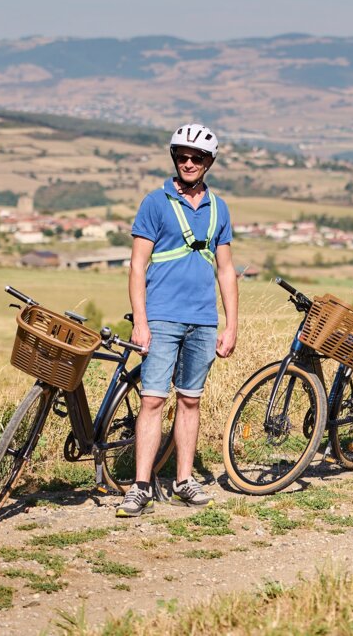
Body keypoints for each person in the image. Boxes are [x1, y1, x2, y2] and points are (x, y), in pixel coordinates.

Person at [117, 124, 238, 516]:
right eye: (182, 156)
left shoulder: (219, 208)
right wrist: (141, 321)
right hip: (162, 317)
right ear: (175, 158)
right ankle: (140, 486)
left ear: (209, 163)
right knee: (152, 400)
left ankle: (184, 479)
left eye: (197, 158)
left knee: (190, 400)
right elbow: (137, 266)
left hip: (202, 321)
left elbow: (226, 270)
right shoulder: (155, 202)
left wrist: (231, 324)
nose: (189, 163)